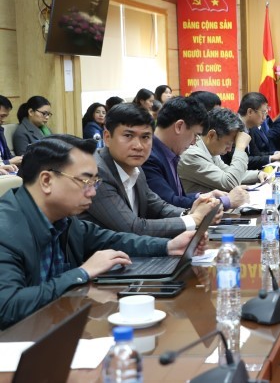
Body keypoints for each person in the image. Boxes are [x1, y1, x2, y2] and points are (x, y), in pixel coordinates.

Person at [0, 135, 212, 329]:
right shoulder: (5, 228)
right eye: (85, 181)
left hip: (54, 330)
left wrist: (168, 246)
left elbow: (112, 239)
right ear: (47, 181)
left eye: (95, 182)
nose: (93, 192)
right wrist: (82, 273)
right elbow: (7, 307)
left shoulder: (64, 219)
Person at [80, 103, 220, 238]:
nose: (138, 146)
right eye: (128, 136)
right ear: (107, 138)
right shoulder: (96, 172)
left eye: (145, 137)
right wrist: (195, 219)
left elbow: (158, 207)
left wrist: (191, 212)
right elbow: (132, 228)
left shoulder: (136, 169)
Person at [178, 107, 267, 194]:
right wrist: (240, 148)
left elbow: (227, 172)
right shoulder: (191, 154)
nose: (229, 149)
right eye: (228, 144)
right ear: (212, 135)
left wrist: (257, 175)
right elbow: (230, 183)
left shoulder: (209, 148)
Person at [143, 96, 212, 209]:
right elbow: (168, 203)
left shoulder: (168, 152)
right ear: (179, 126)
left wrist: (202, 197)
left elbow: (177, 196)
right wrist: (222, 201)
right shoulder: (148, 156)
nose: (194, 142)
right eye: (195, 135)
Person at [223, 92, 280, 170]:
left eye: (266, 113)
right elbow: (239, 161)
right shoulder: (233, 128)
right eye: (263, 112)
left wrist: (277, 153)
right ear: (250, 112)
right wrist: (272, 158)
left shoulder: (251, 127)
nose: (265, 118)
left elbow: (256, 155)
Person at [0, 95, 22, 166]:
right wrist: (9, 162)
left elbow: (7, 156)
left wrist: (21, 159)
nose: (4, 120)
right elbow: (8, 161)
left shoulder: (0, 131)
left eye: (6, 116)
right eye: (2, 116)